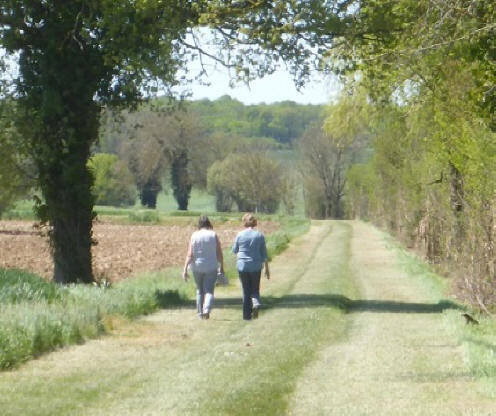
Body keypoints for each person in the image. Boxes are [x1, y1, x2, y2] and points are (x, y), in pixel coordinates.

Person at [183, 215, 224, 320]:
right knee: (209, 290)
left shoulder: (194, 235)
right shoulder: (213, 235)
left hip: (197, 266)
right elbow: (219, 252)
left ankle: (200, 314)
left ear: (199, 224)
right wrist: (221, 266)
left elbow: (189, 254)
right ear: (208, 223)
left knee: (199, 290)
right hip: (211, 266)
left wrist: (185, 269)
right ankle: (206, 309)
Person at [232, 213, 270, 320]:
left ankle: (246, 316)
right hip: (255, 266)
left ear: (244, 222)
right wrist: (267, 269)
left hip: (242, 265)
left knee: (245, 290)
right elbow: (264, 253)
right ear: (254, 223)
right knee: (255, 289)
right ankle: (256, 303)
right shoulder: (259, 235)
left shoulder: (240, 235)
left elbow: (235, 250)